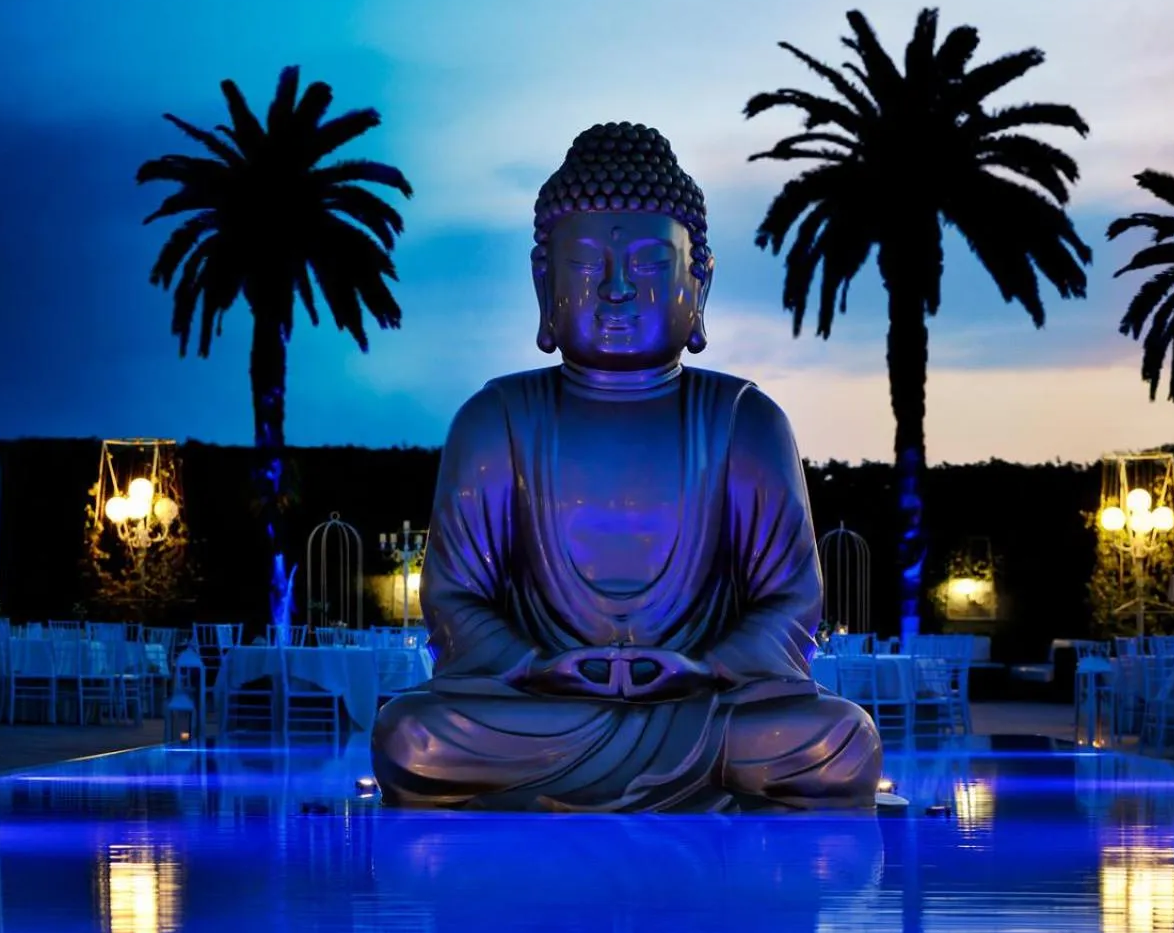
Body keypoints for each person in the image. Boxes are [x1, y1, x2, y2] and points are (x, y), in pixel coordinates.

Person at [370, 123, 881, 811]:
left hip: (703, 702)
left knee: (840, 742)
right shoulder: (498, 420)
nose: (614, 290)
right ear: (542, 284)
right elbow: (454, 599)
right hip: (544, 708)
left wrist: (703, 667)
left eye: (646, 266)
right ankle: (668, 777)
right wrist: (537, 668)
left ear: (698, 285)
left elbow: (791, 602)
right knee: (412, 738)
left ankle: (598, 775)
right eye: (584, 267)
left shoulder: (743, 421)